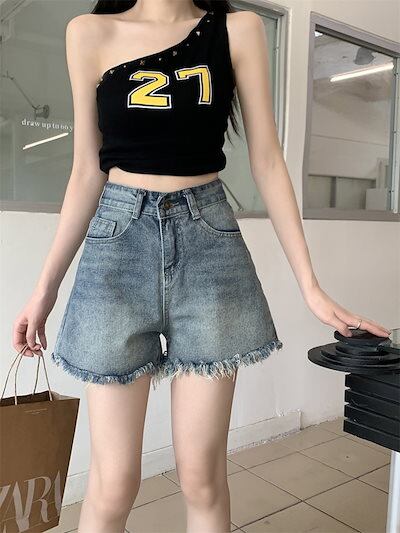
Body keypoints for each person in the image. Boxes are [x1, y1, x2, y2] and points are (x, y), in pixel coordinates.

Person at [12, 1, 391, 532]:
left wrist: (311, 286)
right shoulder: (90, 32)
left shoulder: (237, 29)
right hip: (116, 250)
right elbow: (85, 170)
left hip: (209, 244)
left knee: (202, 478)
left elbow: (267, 159)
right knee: (114, 482)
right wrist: (44, 290)